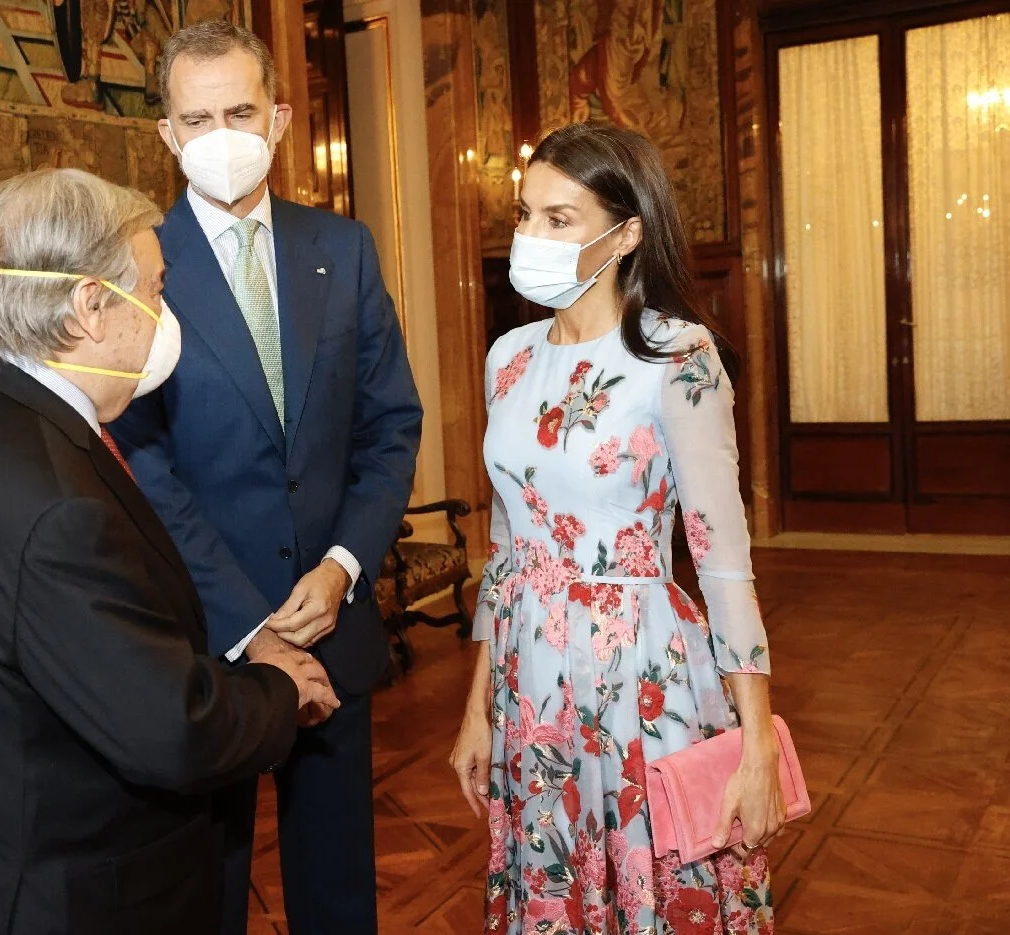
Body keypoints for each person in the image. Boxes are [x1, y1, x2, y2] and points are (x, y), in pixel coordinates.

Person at [0, 167, 339, 935]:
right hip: (73, 894)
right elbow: (169, 728)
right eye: (157, 291)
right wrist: (278, 687)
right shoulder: (54, 499)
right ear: (90, 307)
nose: (167, 317)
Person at [108, 21, 423, 935]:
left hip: (332, 621)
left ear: (279, 119)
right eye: (196, 119)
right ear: (166, 133)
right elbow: (143, 462)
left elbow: (391, 426)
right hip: (207, 644)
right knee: (206, 895)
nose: (221, 136)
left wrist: (342, 566)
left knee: (337, 891)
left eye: (240, 112)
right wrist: (250, 624)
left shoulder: (344, 247)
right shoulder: (138, 265)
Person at [450, 124, 785, 934]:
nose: (530, 235)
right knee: (556, 884)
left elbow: (723, 559)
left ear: (627, 233)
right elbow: (506, 548)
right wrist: (475, 707)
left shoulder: (678, 355)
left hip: (638, 674)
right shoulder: (507, 358)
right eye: (525, 214)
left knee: (654, 894)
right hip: (528, 680)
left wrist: (758, 743)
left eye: (559, 218)